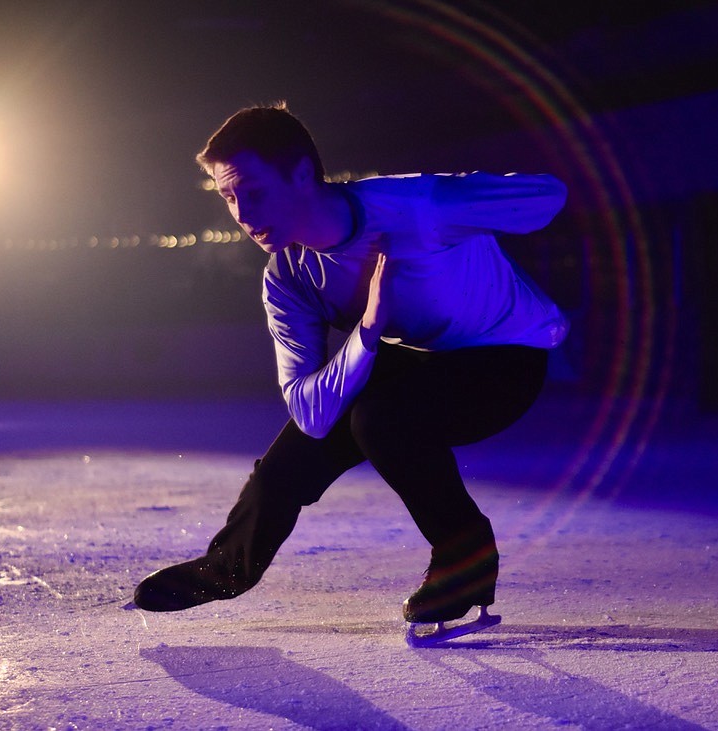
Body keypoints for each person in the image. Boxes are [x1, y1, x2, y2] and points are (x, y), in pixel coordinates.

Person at [133, 103, 569, 627]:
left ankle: (465, 558)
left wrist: (456, 202)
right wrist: (366, 328)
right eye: (228, 196)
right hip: (418, 359)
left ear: (300, 174)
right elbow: (310, 415)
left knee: (380, 418)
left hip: (508, 357)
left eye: (253, 191)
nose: (243, 214)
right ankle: (228, 567)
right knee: (295, 454)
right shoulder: (288, 277)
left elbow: (548, 196)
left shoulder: (415, 207)